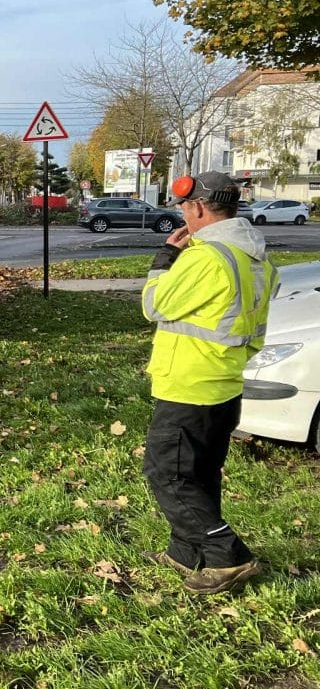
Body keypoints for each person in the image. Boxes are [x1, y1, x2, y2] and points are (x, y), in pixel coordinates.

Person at [141, 170, 278, 595]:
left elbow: (152, 304)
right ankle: (186, 550)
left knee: (168, 475)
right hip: (223, 384)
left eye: (184, 206)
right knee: (199, 473)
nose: (184, 214)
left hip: (189, 385)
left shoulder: (207, 258)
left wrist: (165, 258)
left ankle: (227, 555)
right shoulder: (255, 257)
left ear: (197, 208)